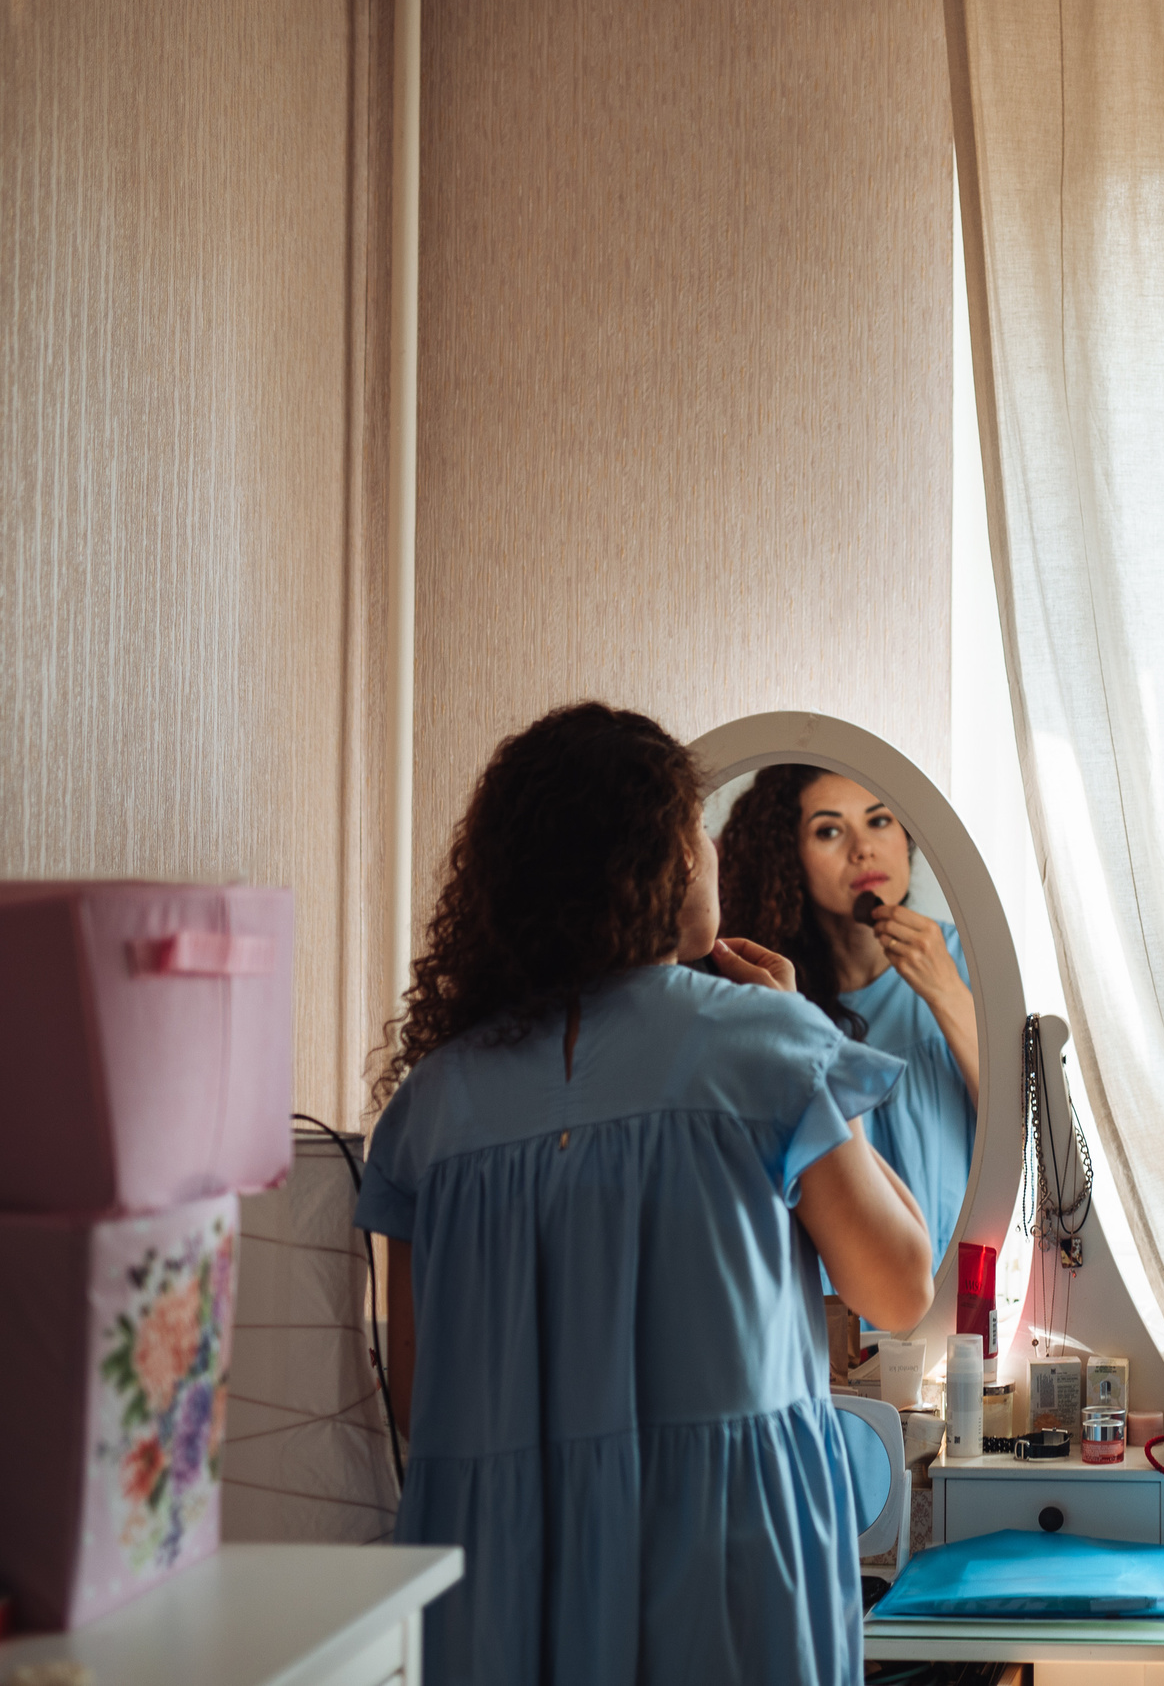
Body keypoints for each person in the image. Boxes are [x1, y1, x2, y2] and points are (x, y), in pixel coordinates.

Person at [357, 703, 934, 1686]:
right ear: (658, 859)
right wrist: (800, 1034)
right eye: (694, 828)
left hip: (495, 1588)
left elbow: (418, 1393)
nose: (710, 850)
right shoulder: (761, 1046)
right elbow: (898, 1284)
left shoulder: (432, 1106)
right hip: (719, 1578)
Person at [718, 765, 978, 1272]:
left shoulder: (972, 962)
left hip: (953, 1285)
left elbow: (1024, 1133)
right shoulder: (769, 993)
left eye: (879, 821)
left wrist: (945, 991)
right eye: (829, 831)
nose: (863, 849)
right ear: (786, 856)